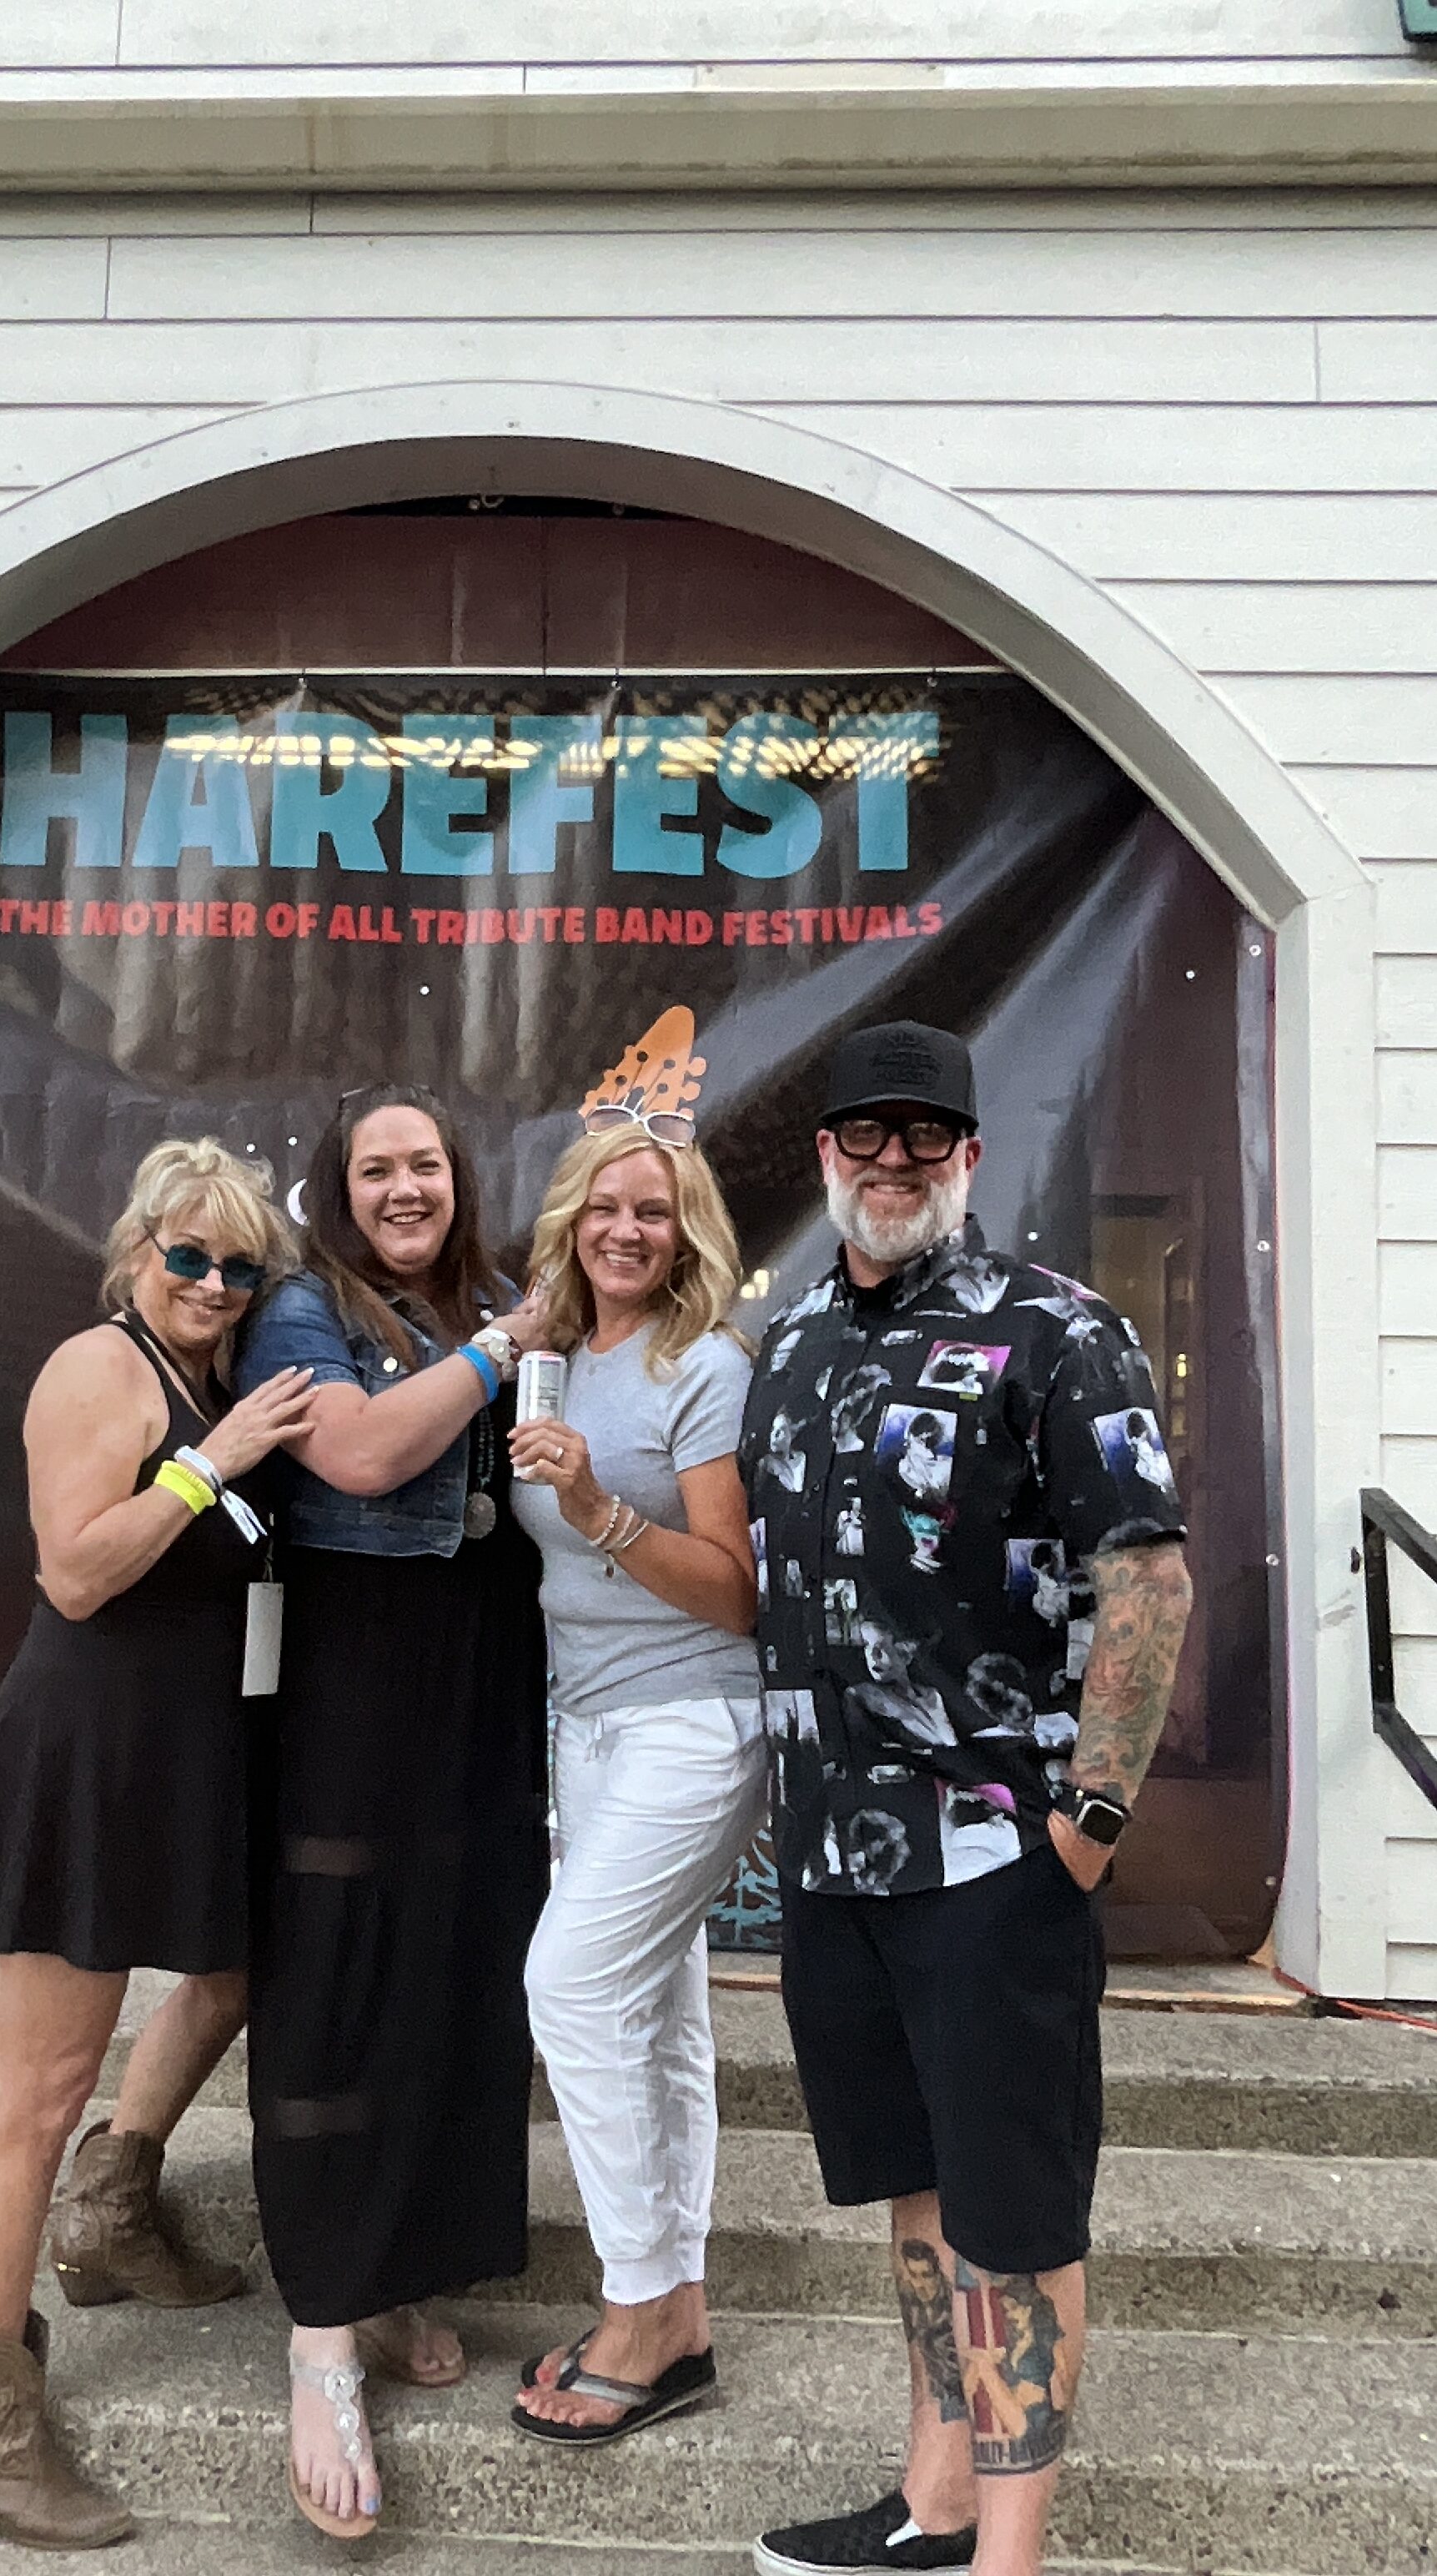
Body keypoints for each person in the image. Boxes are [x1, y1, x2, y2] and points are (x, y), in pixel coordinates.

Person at [740, 1022, 1193, 2576]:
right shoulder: (792, 1343)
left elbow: (1146, 1580)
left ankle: (1009, 2558)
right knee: (922, 2202)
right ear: (825, 1154)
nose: (895, 1162)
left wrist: (1090, 1822)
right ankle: (933, 2507)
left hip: (999, 1859)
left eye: (925, 1135)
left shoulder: (1061, 1334)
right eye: (865, 1134)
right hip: (837, 1863)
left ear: (971, 1154)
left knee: (1013, 2219)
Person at [0, 1140, 314, 2550]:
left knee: (236, 1972)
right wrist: (211, 1466)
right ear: (136, 1254)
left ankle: (114, 2206)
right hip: (91, 1754)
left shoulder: (217, 1382)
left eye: (239, 1267)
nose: (212, 1285)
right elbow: (76, 1571)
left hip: (196, 1755)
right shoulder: (104, 1369)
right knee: (35, 2092)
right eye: (187, 1257)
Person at [234, 1081, 555, 2542]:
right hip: (356, 1671)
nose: (406, 1188)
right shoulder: (306, 1311)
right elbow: (362, 1456)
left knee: (456, 1968)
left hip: (481, 1665)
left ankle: (404, 2268)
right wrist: (505, 1349)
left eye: (425, 1163)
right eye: (377, 1170)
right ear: (338, 1188)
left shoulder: (489, 1294)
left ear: (456, 1178)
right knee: (342, 1975)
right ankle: (322, 2333)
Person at [503, 1121, 765, 2447]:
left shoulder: (702, 1364)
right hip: (589, 1730)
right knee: (658, 2015)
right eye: (602, 1207)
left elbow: (736, 1592)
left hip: (692, 1723)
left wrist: (603, 1510)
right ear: (569, 1221)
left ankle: (637, 2305)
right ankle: (683, 2313)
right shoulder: (555, 1360)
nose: (624, 1230)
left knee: (570, 1983)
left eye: (651, 1212)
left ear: (685, 1232)